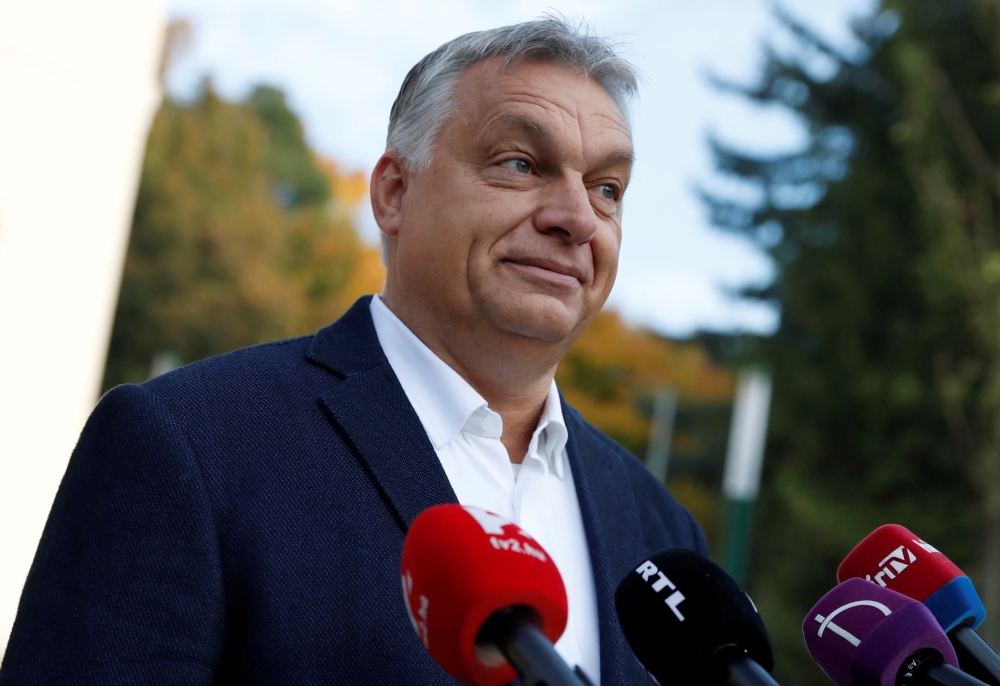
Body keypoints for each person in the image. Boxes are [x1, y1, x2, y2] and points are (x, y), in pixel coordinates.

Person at [0, 17, 708, 686]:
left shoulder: (662, 530)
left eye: (607, 187)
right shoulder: (188, 444)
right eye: (521, 163)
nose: (578, 217)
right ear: (394, 193)